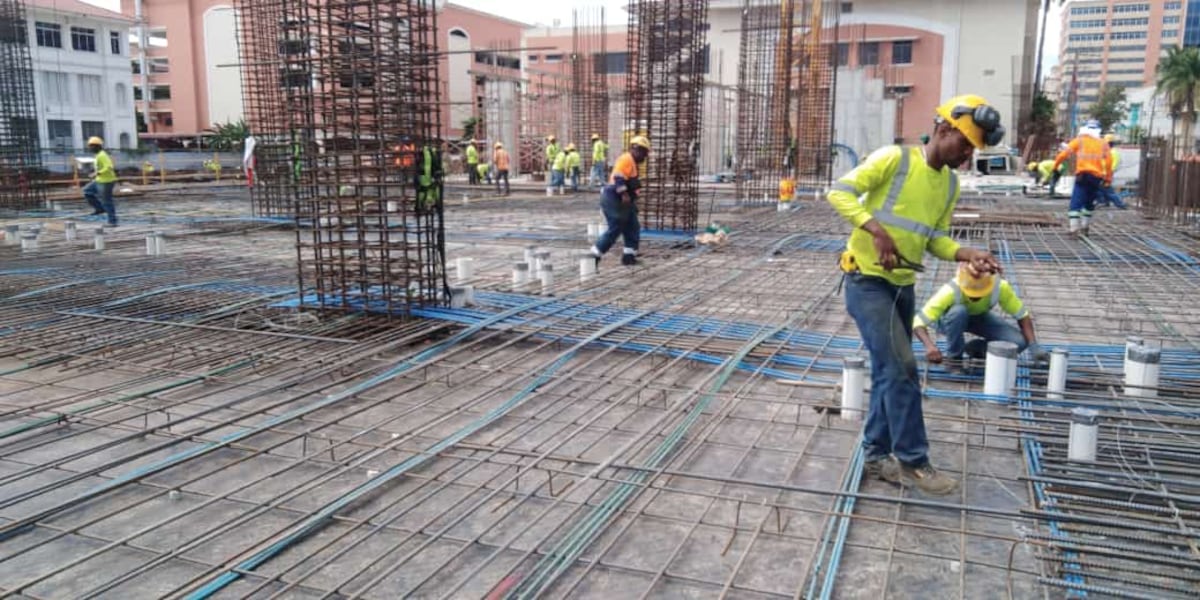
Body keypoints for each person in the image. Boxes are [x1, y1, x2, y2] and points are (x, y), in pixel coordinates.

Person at [826, 94, 1005, 495]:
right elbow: (838, 192)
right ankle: (914, 461)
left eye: (972, 150)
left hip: (903, 286)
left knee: (889, 370)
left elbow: (935, 239)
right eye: (964, 145)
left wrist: (966, 253)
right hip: (866, 282)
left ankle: (875, 454)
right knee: (902, 368)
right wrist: (876, 229)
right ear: (944, 130)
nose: (966, 156)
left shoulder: (949, 184)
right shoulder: (896, 159)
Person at [914, 263, 1049, 369]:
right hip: (949, 320)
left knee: (1018, 342)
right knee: (959, 311)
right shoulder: (950, 290)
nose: (974, 298)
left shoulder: (999, 287)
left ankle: (976, 349)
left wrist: (1033, 345)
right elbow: (918, 322)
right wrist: (929, 346)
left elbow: (1023, 316)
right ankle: (955, 359)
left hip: (979, 317)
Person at [590, 136, 650, 267]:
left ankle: (629, 257)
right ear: (636, 149)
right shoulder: (626, 159)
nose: (644, 157)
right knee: (616, 227)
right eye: (644, 153)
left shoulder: (633, 163)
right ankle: (594, 255)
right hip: (614, 198)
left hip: (624, 201)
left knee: (632, 227)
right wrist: (624, 194)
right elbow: (618, 176)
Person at [1053, 120, 1112, 237]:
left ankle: (1074, 229)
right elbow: (1109, 162)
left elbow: (1063, 154)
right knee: (1089, 203)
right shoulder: (1103, 143)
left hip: (1083, 176)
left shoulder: (1079, 141)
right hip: (1096, 177)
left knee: (1076, 202)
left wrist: (1055, 166)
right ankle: (1085, 228)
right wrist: (1108, 178)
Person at [83, 136, 119, 226]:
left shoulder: (102, 155)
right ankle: (99, 208)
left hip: (106, 181)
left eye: (92, 146)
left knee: (107, 201)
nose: (90, 148)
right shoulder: (98, 155)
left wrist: (97, 173)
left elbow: (109, 166)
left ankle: (112, 221)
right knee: (87, 191)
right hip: (99, 180)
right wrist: (96, 173)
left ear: (98, 146)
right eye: (89, 146)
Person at [1096, 134, 1127, 209]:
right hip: (1102, 173)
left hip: (1106, 174)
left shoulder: (1113, 153)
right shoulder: (1108, 152)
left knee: (1108, 191)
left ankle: (1120, 204)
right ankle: (1104, 202)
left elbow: (1114, 166)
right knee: (1101, 189)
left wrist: (1106, 175)